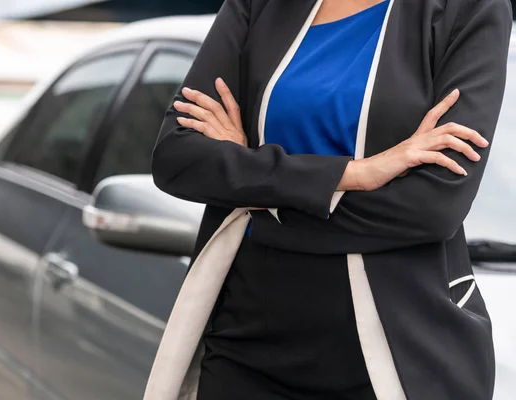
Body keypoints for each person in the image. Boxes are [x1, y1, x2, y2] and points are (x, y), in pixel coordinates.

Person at [145, 0, 513, 399]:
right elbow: (177, 158)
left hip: (397, 359)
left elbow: (432, 208)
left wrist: (254, 188)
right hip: (246, 348)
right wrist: (355, 173)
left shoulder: (470, 8)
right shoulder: (259, 5)